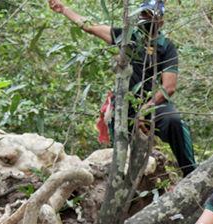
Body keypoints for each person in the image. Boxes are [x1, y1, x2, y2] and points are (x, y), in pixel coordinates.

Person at [47, 0, 197, 176]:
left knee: (173, 121)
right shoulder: (127, 37)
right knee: (119, 149)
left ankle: (191, 174)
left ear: (160, 22)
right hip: (125, 103)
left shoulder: (165, 46)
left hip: (152, 103)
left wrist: (145, 109)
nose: (145, 20)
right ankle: (116, 179)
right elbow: (90, 26)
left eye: (151, 17)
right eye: (143, 15)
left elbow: (168, 87)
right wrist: (64, 9)